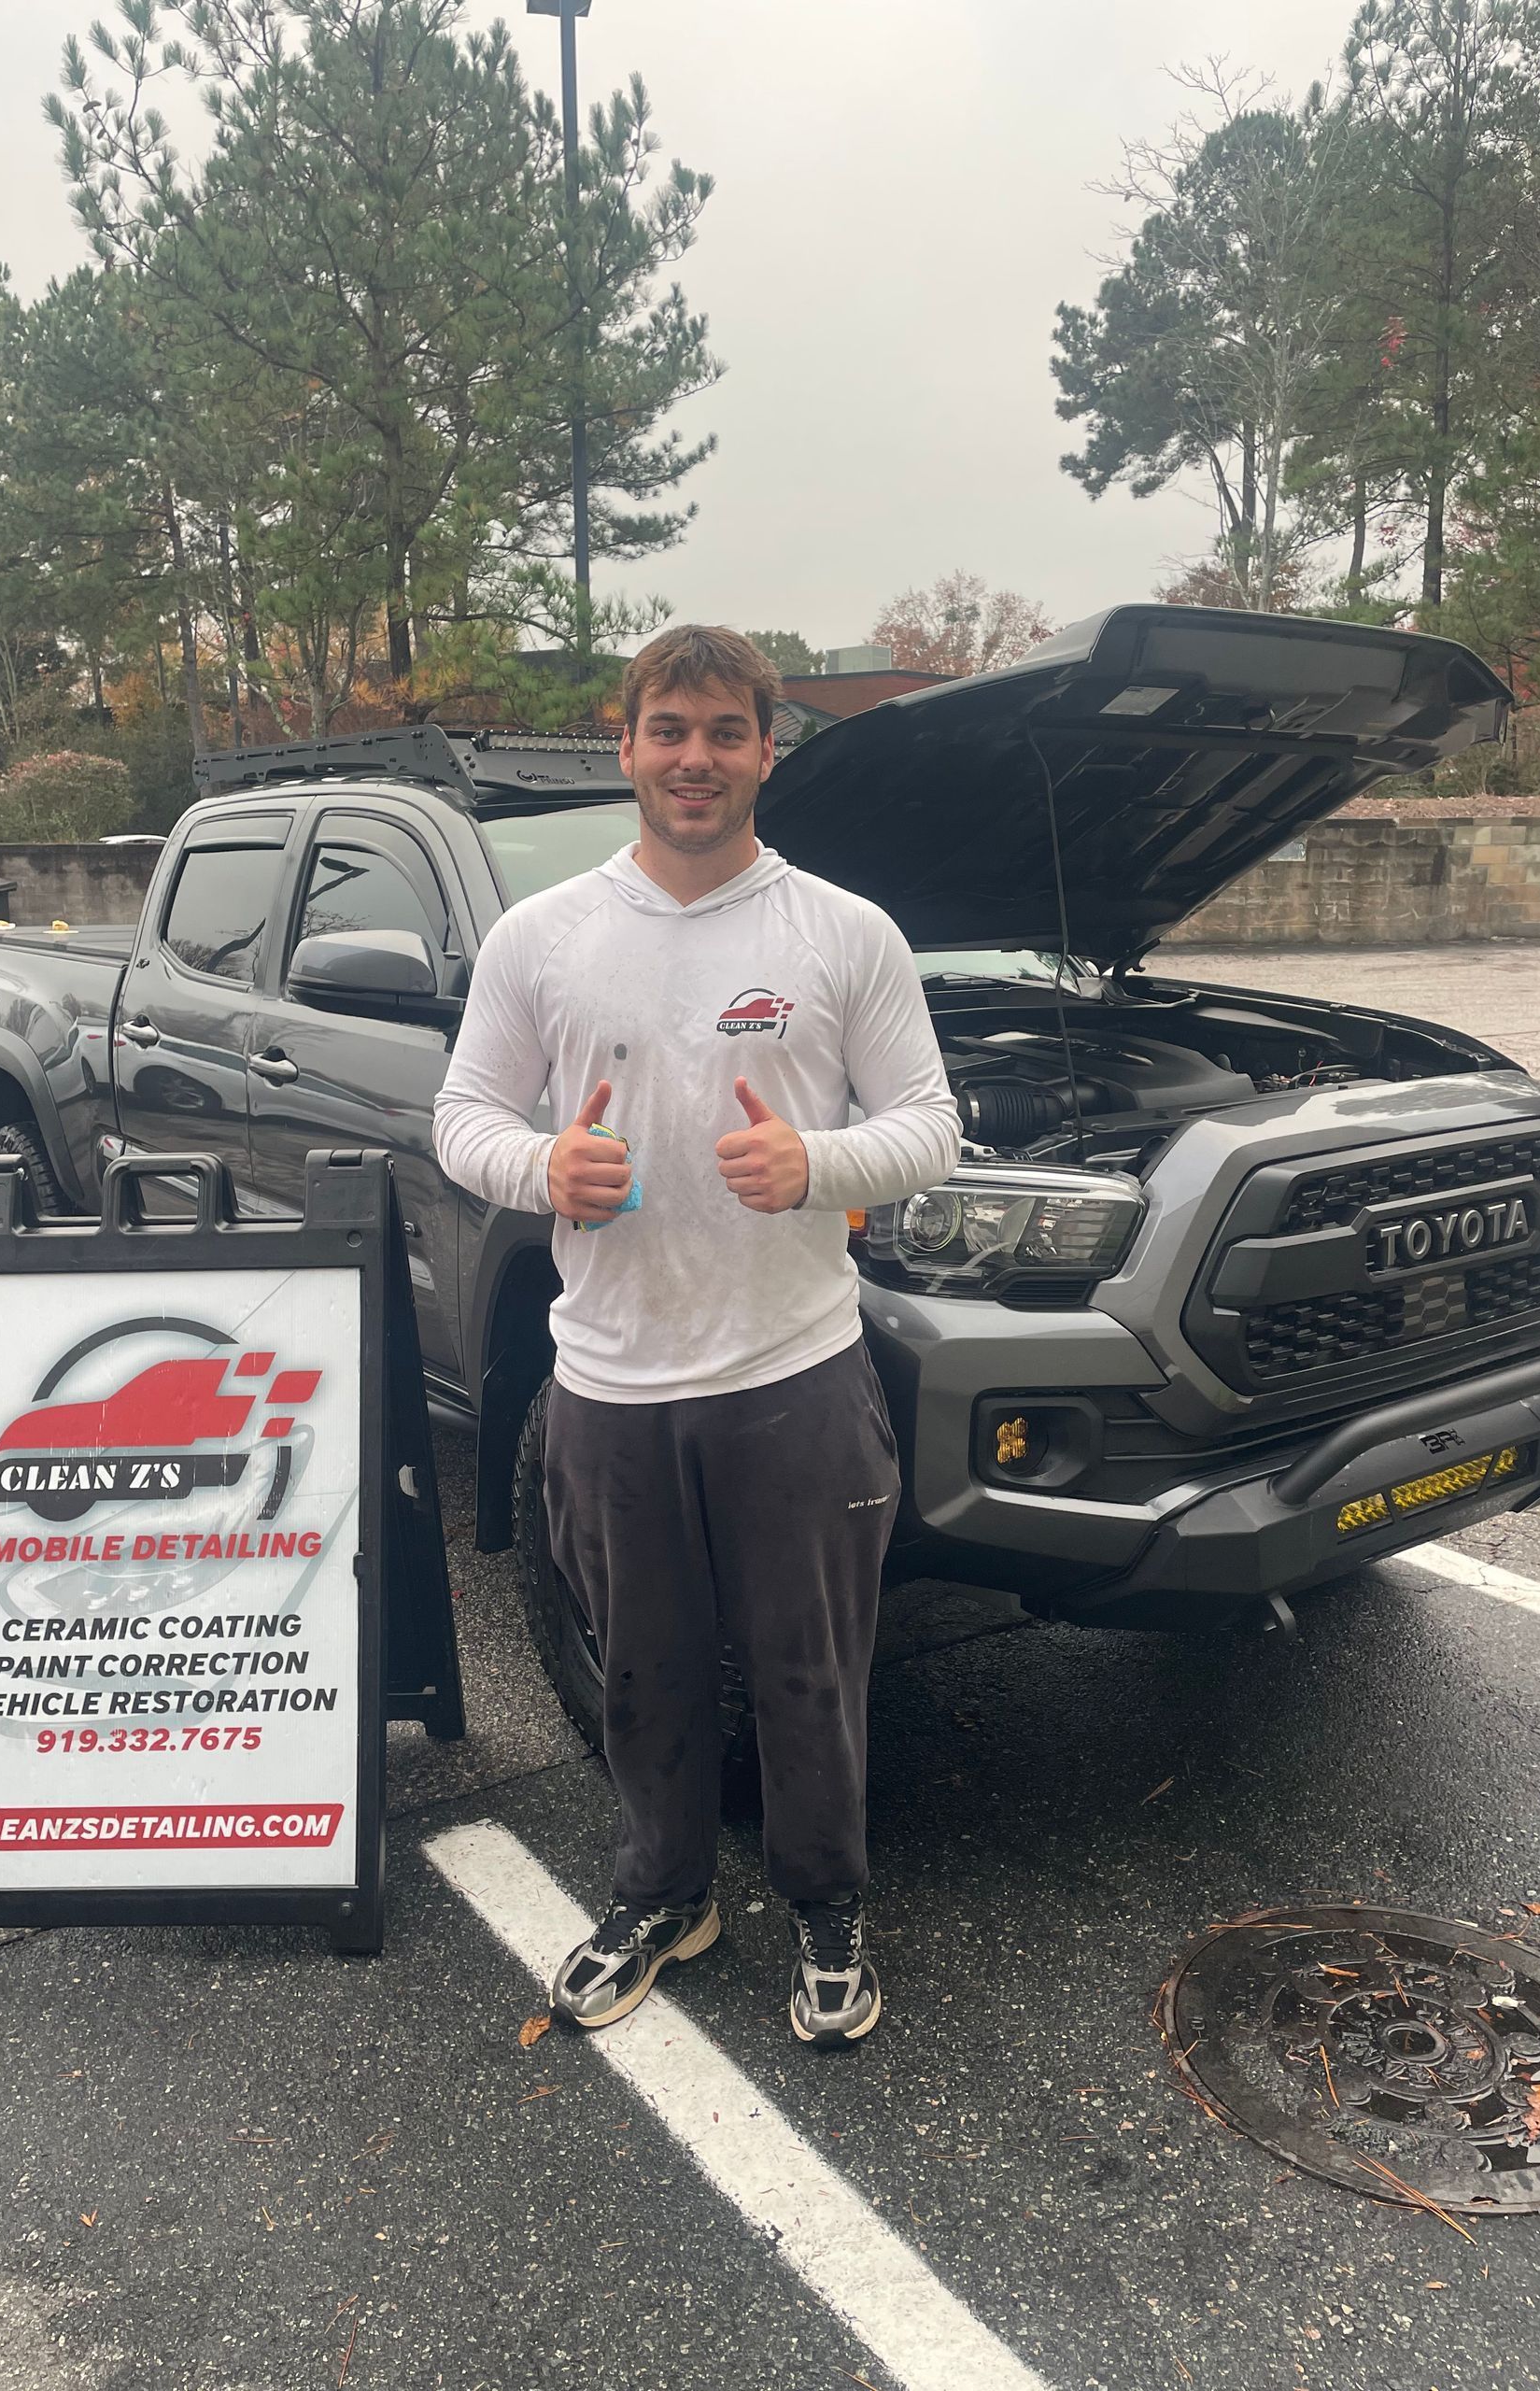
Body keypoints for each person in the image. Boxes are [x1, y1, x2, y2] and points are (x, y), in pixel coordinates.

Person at [432, 625, 960, 2048]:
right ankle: (665, 1896)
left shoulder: (843, 932)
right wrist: (542, 1168)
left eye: (726, 731)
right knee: (641, 1670)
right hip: (607, 1381)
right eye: (670, 729)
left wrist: (820, 1166)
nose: (695, 758)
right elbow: (461, 1115)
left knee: (812, 1670)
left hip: (793, 1372)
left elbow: (932, 1125)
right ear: (626, 746)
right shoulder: (541, 936)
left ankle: (827, 1910)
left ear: (765, 752)